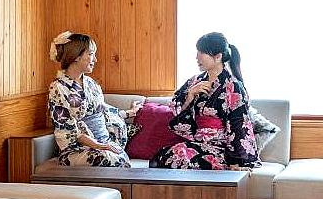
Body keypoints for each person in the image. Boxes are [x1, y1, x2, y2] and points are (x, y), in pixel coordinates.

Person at [150, 32, 260, 170]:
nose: (197, 57)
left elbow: (239, 125)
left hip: (223, 150)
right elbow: (176, 110)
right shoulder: (194, 81)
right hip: (198, 144)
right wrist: (190, 95)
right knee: (160, 158)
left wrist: (235, 162)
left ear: (218, 56)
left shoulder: (233, 86)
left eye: (202, 52)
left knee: (179, 156)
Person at [47, 31, 139, 167]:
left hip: (101, 144)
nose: (95, 59)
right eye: (91, 54)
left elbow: (103, 109)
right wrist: (97, 145)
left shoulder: (91, 83)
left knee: (119, 157)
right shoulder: (58, 87)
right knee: (110, 160)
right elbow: (66, 127)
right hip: (78, 149)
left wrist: (129, 113)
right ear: (76, 56)